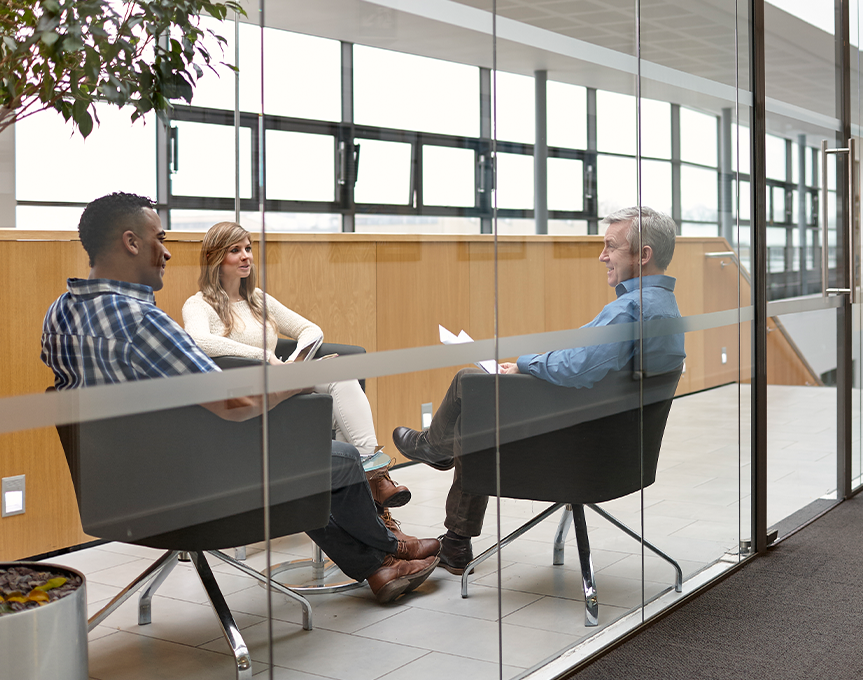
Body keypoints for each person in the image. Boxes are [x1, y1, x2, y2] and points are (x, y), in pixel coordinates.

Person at [40, 192, 439, 604]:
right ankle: (391, 549)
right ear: (131, 242)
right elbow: (235, 406)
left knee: (299, 458)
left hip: (113, 490)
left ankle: (378, 569)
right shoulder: (144, 322)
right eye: (160, 238)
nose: (167, 252)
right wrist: (298, 380)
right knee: (338, 458)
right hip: (186, 487)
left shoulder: (59, 314)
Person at [392, 206, 687, 574]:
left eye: (610, 246)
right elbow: (587, 362)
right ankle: (453, 539)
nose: (603, 256)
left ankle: (434, 448)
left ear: (644, 255)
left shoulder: (631, 309)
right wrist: (527, 366)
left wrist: (525, 364)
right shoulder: (666, 308)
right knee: (483, 404)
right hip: (619, 453)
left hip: (580, 458)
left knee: (472, 391)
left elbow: (578, 368)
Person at [181, 221, 408, 511]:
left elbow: (311, 330)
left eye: (248, 249)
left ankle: (373, 478)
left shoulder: (258, 299)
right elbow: (198, 341)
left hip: (281, 380)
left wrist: (293, 364)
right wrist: (264, 356)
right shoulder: (198, 304)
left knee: (341, 375)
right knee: (336, 409)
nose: (246, 256)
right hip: (248, 398)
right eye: (235, 250)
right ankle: (373, 489)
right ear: (214, 258)